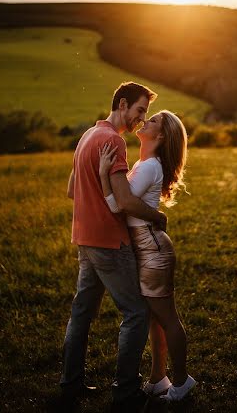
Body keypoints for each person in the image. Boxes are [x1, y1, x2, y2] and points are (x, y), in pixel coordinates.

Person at [60, 82, 167, 412]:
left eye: (145, 114)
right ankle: (125, 392)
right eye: (139, 111)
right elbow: (124, 201)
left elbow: (70, 190)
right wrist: (157, 216)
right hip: (108, 241)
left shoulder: (89, 136)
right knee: (136, 311)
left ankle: (71, 383)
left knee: (81, 313)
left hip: (84, 238)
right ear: (122, 104)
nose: (140, 119)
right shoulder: (112, 141)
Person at [99, 110, 196, 402]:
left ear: (161, 136)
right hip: (147, 246)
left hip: (153, 249)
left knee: (167, 318)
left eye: (152, 121)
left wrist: (104, 174)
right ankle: (158, 378)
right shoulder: (145, 164)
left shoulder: (149, 166)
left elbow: (119, 206)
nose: (145, 121)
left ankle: (181, 382)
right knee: (155, 319)